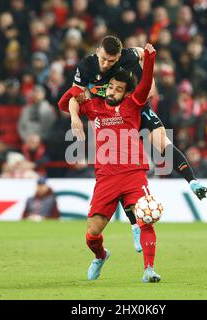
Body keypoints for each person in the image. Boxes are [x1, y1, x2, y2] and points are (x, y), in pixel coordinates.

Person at [64, 35, 207, 253]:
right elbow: (74, 95)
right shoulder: (86, 65)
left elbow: (142, 52)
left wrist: (151, 82)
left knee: (162, 142)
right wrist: (75, 118)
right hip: (112, 107)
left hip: (136, 104)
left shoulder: (129, 55)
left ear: (119, 56)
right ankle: (134, 226)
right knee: (120, 164)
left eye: (111, 61)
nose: (105, 65)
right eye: (103, 59)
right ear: (98, 51)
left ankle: (192, 181)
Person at [59, 43, 162, 282]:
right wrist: (76, 112)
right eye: (110, 87)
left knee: (145, 216)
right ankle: (101, 256)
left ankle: (149, 269)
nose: (112, 92)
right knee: (92, 235)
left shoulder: (132, 104)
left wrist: (150, 58)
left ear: (126, 92)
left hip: (134, 172)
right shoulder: (93, 105)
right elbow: (66, 102)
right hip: (105, 177)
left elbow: (146, 86)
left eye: (118, 89)